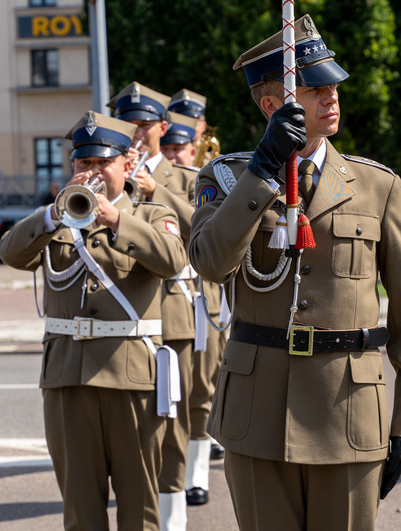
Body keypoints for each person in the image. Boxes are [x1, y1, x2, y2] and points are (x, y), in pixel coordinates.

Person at [188, 14, 401, 531]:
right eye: (314, 88)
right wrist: (263, 168)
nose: (331, 97)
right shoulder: (228, 177)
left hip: (347, 410)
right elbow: (210, 262)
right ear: (271, 104)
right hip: (257, 415)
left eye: (333, 86)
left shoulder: (376, 186)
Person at [0, 111, 187, 530]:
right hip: (68, 377)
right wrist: (51, 215)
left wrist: (115, 219)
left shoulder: (150, 215)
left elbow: (173, 259)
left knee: (139, 509)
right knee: (80, 511)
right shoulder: (56, 219)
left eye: (102, 162)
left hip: (131, 376)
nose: (93, 172)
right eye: (83, 164)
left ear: (125, 163)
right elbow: (11, 253)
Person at [109, 82, 201, 530]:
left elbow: (205, 232)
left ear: (163, 128)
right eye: (128, 125)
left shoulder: (185, 179)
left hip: (174, 314)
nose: (136, 133)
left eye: (144, 125)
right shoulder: (107, 174)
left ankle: (173, 512)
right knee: (135, 428)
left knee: (175, 415)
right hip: (125, 316)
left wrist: (156, 192)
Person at [161, 107, 230, 505]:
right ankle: (166, 475)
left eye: (179, 147)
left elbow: (209, 228)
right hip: (151, 301)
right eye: (167, 147)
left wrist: (159, 193)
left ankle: (195, 474)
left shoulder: (196, 179)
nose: (173, 154)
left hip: (197, 294)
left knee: (200, 390)